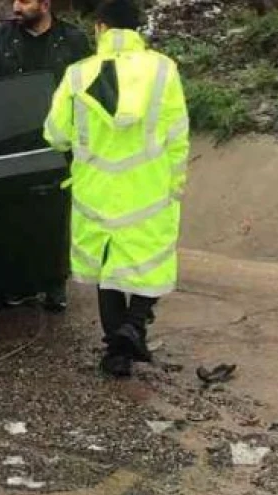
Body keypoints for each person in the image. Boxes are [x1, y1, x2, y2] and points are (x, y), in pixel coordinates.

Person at [42, 0, 190, 377]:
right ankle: (134, 325)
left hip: (96, 189)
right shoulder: (163, 70)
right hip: (149, 188)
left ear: (100, 28)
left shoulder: (78, 74)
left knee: (108, 272)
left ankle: (117, 355)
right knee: (151, 261)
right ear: (137, 30)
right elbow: (177, 132)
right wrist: (175, 180)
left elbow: (55, 134)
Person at [0, 0, 92, 313]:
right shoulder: (2, 34)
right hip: (13, 140)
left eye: (25, 1)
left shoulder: (72, 39)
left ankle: (54, 282)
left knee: (55, 213)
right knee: (14, 211)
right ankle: (17, 284)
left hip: (58, 142)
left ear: (45, 4)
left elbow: (90, 87)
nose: (17, 6)